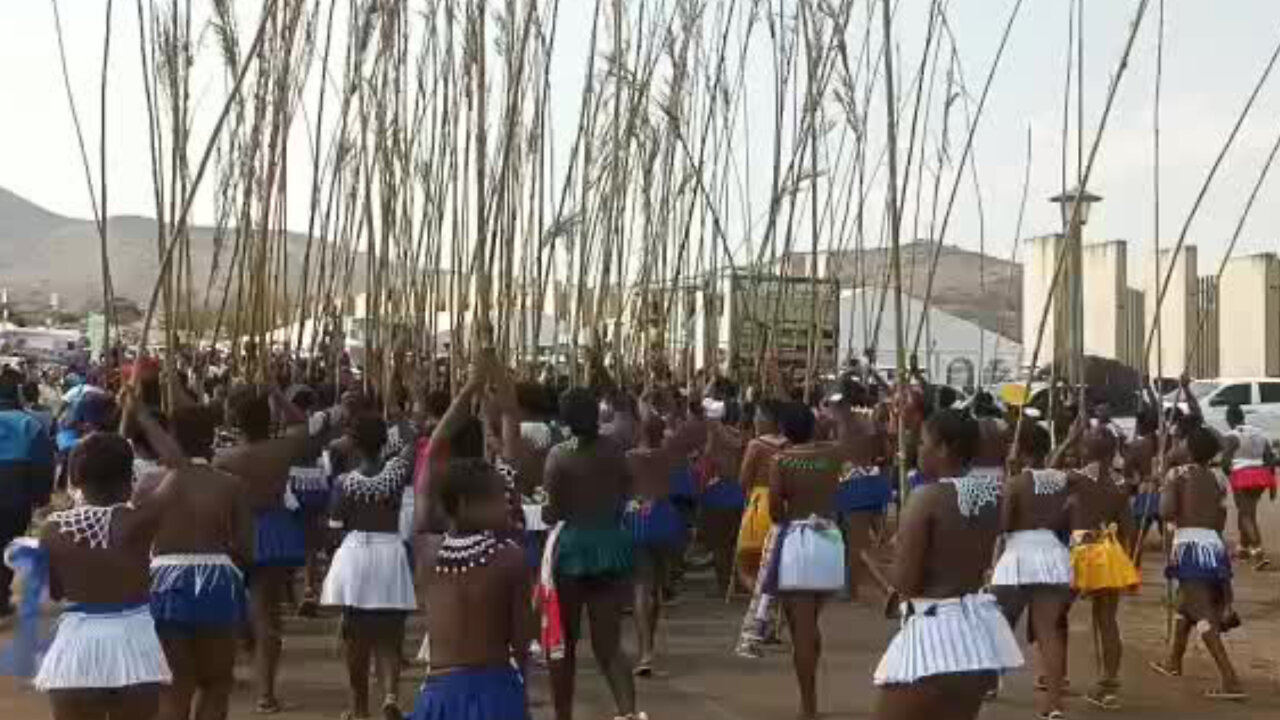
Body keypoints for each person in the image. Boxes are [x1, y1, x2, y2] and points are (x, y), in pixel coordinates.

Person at [873, 409, 1023, 720]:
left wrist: (875, 563)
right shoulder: (993, 497)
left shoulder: (926, 497)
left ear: (944, 448)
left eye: (924, 442)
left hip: (933, 635)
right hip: (977, 636)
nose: (918, 449)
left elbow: (906, 584)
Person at [34, 427, 176, 719]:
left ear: (74, 479)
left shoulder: (51, 530)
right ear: (129, 480)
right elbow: (181, 468)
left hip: (75, 646)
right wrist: (141, 413)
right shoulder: (139, 521)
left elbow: (55, 591)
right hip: (134, 643)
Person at [214, 384, 336, 714]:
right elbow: (307, 426)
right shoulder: (283, 449)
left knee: (241, 614)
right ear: (270, 419)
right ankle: (265, 693)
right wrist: (277, 393)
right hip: (272, 533)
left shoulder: (225, 458)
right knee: (267, 617)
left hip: (233, 535)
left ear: (236, 422)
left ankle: (240, 654)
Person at [133, 402, 252, 720]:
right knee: (216, 683)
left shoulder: (147, 483)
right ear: (212, 438)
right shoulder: (231, 484)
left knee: (173, 686)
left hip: (164, 584)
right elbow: (245, 551)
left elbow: (135, 541)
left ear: (171, 437)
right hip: (217, 581)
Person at [543, 387, 642, 720]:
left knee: (563, 644)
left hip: (572, 549)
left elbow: (551, 511)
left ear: (565, 419)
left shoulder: (559, 455)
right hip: (611, 547)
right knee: (609, 645)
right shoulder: (615, 451)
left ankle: (563, 716)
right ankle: (628, 713)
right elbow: (628, 490)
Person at [408, 458, 533, 720]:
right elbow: (521, 643)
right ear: (464, 504)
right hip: (495, 694)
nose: (505, 507)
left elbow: (424, 492)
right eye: (498, 500)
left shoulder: (427, 552)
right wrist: (520, 696)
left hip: (438, 696)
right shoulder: (512, 558)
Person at [322, 414, 419, 720]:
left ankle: (359, 707)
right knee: (390, 633)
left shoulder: (344, 482)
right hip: (390, 551)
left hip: (357, 554)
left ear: (353, 444)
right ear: (385, 443)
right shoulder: (399, 472)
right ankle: (390, 695)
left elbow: (336, 525)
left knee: (356, 636)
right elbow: (413, 439)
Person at [1150, 425, 1246, 700]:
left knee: (1202, 612)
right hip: (1213, 546)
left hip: (1190, 548)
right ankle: (1173, 661)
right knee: (1187, 605)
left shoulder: (1176, 475)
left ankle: (1231, 679)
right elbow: (1220, 519)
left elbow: (1166, 512)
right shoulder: (1218, 478)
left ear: (1189, 449)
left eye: (1183, 443)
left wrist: (1164, 489)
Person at [768, 401, 845, 720]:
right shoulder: (832, 455)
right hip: (829, 538)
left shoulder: (780, 459)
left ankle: (809, 706)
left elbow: (775, 510)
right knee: (809, 623)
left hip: (798, 540)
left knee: (801, 628)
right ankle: (809, 701)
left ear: (784, 431)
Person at [990, 423, 1072, 720]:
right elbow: (1066, 522)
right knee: (1048, 631)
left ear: (1020, 450)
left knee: (996, 621)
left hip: (1019, 556)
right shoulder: (1062, 481)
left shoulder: (1016, 483)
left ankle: (989, 682)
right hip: (1051, 555)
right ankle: (1054, 704)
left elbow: (1002, 525)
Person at [1065, 422, 1140, 710]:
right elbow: (1129, 529)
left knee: (1056, 613)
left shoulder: (1076, 478)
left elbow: (1045, 471)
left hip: (1082, 553)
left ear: (1085, 450)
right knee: (1107, 620)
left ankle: (1053, 673)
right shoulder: (1120, 485)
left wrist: (1066, 443)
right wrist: (1129, 563)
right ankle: (1108, 683)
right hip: (1109, 553)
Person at [623, 414, 680, 676]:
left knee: (641, 587)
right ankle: (649, 647)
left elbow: (620, 489)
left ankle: (645, 650)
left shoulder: (629, 457)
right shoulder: (669, 456)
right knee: (656, 587)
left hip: (637, 516)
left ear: (640, 432)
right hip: (664, 517)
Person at [733, 399, 789, 658]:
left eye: (758, 416)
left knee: (746, 565)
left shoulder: (756, 446)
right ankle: (767, 616)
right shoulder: (790, 446)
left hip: (759, 507)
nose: (755, 420)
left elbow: (743, 480)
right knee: (773, 568)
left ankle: (760, 617)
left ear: (767, 419)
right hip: (783, 508)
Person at [0, 368, 55, 619]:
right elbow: (43, 464)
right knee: (6, 545)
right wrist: (41, 497)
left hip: (15, 485)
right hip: (14, 492)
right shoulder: (28, 423)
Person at [1221, 404, 1276, 569]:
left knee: (1246, 515)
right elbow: (1270, 459)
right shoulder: (1259, 433)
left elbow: (1225, 462)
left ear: (1229, 419)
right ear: (1243, 417)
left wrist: (1230, 476)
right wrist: (1272, 484)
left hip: (1242, 477)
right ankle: (1243, 549)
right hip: (1261, 478)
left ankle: (1258, 554)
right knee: (1247, 511)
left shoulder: (1230, 436)